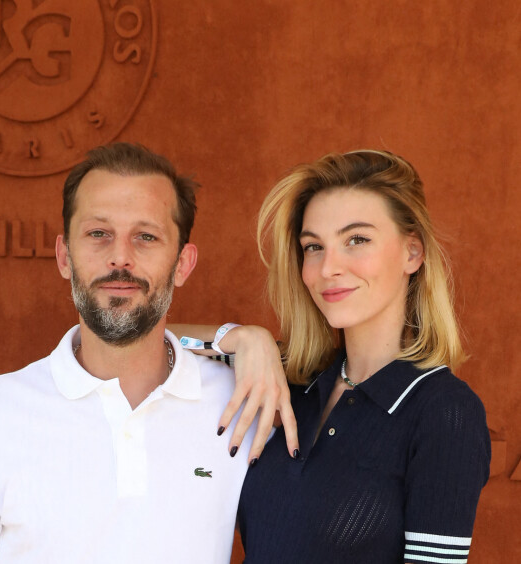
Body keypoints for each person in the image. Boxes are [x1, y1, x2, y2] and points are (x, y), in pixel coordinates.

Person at [0, 142, 296, 564]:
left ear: (183, 264)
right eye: (98, 234)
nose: (120, 258)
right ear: (64, 257)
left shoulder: (241, 403)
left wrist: (248, 338)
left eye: (146, 236)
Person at [178, 150, 491, 564]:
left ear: (412, 253)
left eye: (356, 240)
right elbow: (141, 339)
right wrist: (244, 339)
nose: (328, 268)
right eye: (313, 247)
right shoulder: (287, 380)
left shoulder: (444, 412)